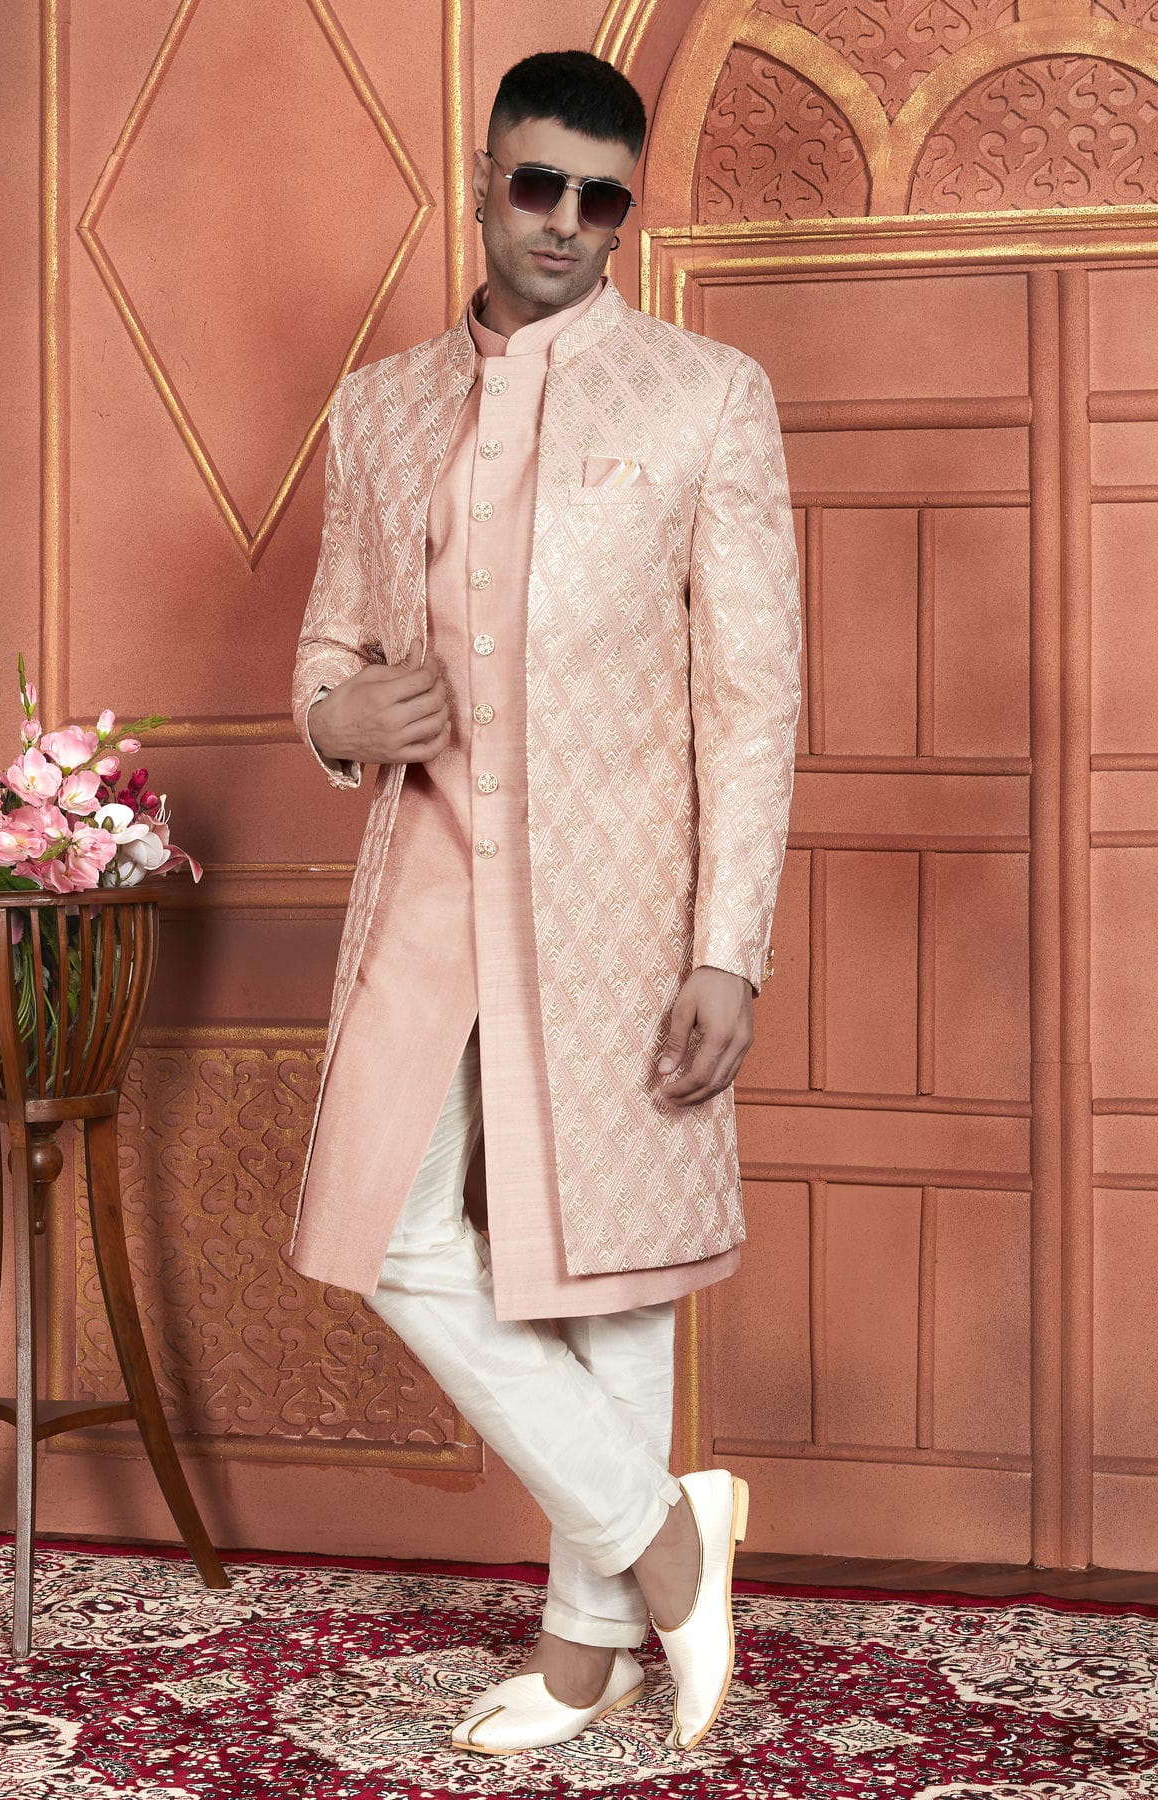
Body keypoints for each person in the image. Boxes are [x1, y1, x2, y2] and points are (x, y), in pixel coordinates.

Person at [287, 48, 802, 1756]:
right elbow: (330, 647)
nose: (567, 223)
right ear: (483, 179)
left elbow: (753, 701)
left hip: (621, 898)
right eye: (537, 185)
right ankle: (666, 1537)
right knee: (395, 1234)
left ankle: (588, 1651)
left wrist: (728, 947)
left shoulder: (705, 394)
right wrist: (339, 720)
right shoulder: (378, 409)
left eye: (603, 199)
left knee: (612, 1275)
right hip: (427, 884)